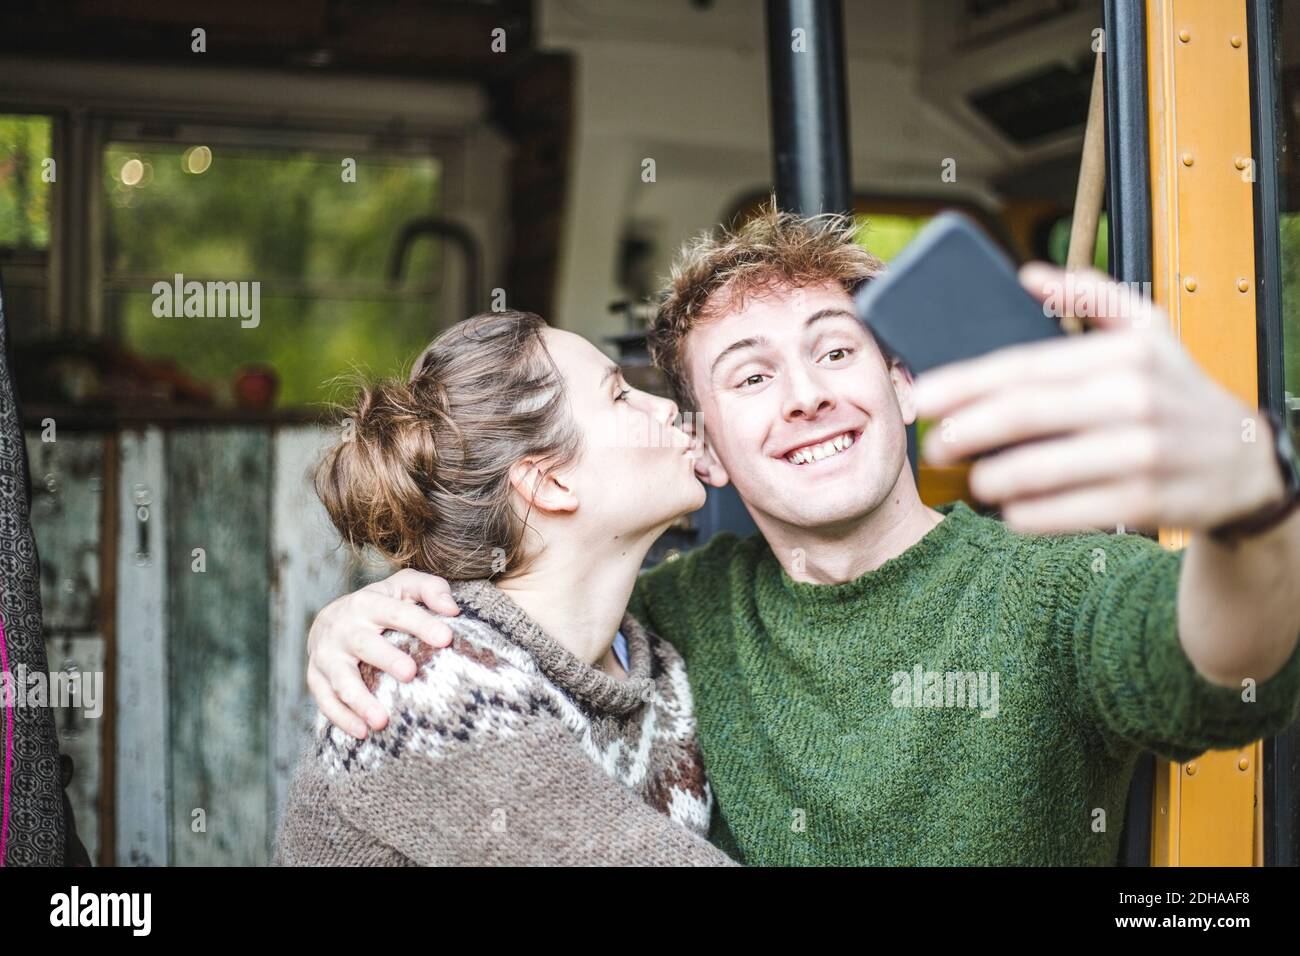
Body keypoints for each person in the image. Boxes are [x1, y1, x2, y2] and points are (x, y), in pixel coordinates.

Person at [304, 206, 1300, 865]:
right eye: (748, 376)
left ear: (902, 379)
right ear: (709, 444)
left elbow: (1226, 664)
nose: (807, 395)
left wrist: (1251, 509)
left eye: (835, 349)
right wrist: (374, 613)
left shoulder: (1058, 586)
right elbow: (497, 651)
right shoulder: (670, 619)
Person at [273, 310, 734, 866]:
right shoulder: (427, 681)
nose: (663, 408)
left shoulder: (659, 672)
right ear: (549, 483)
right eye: (620, 397)